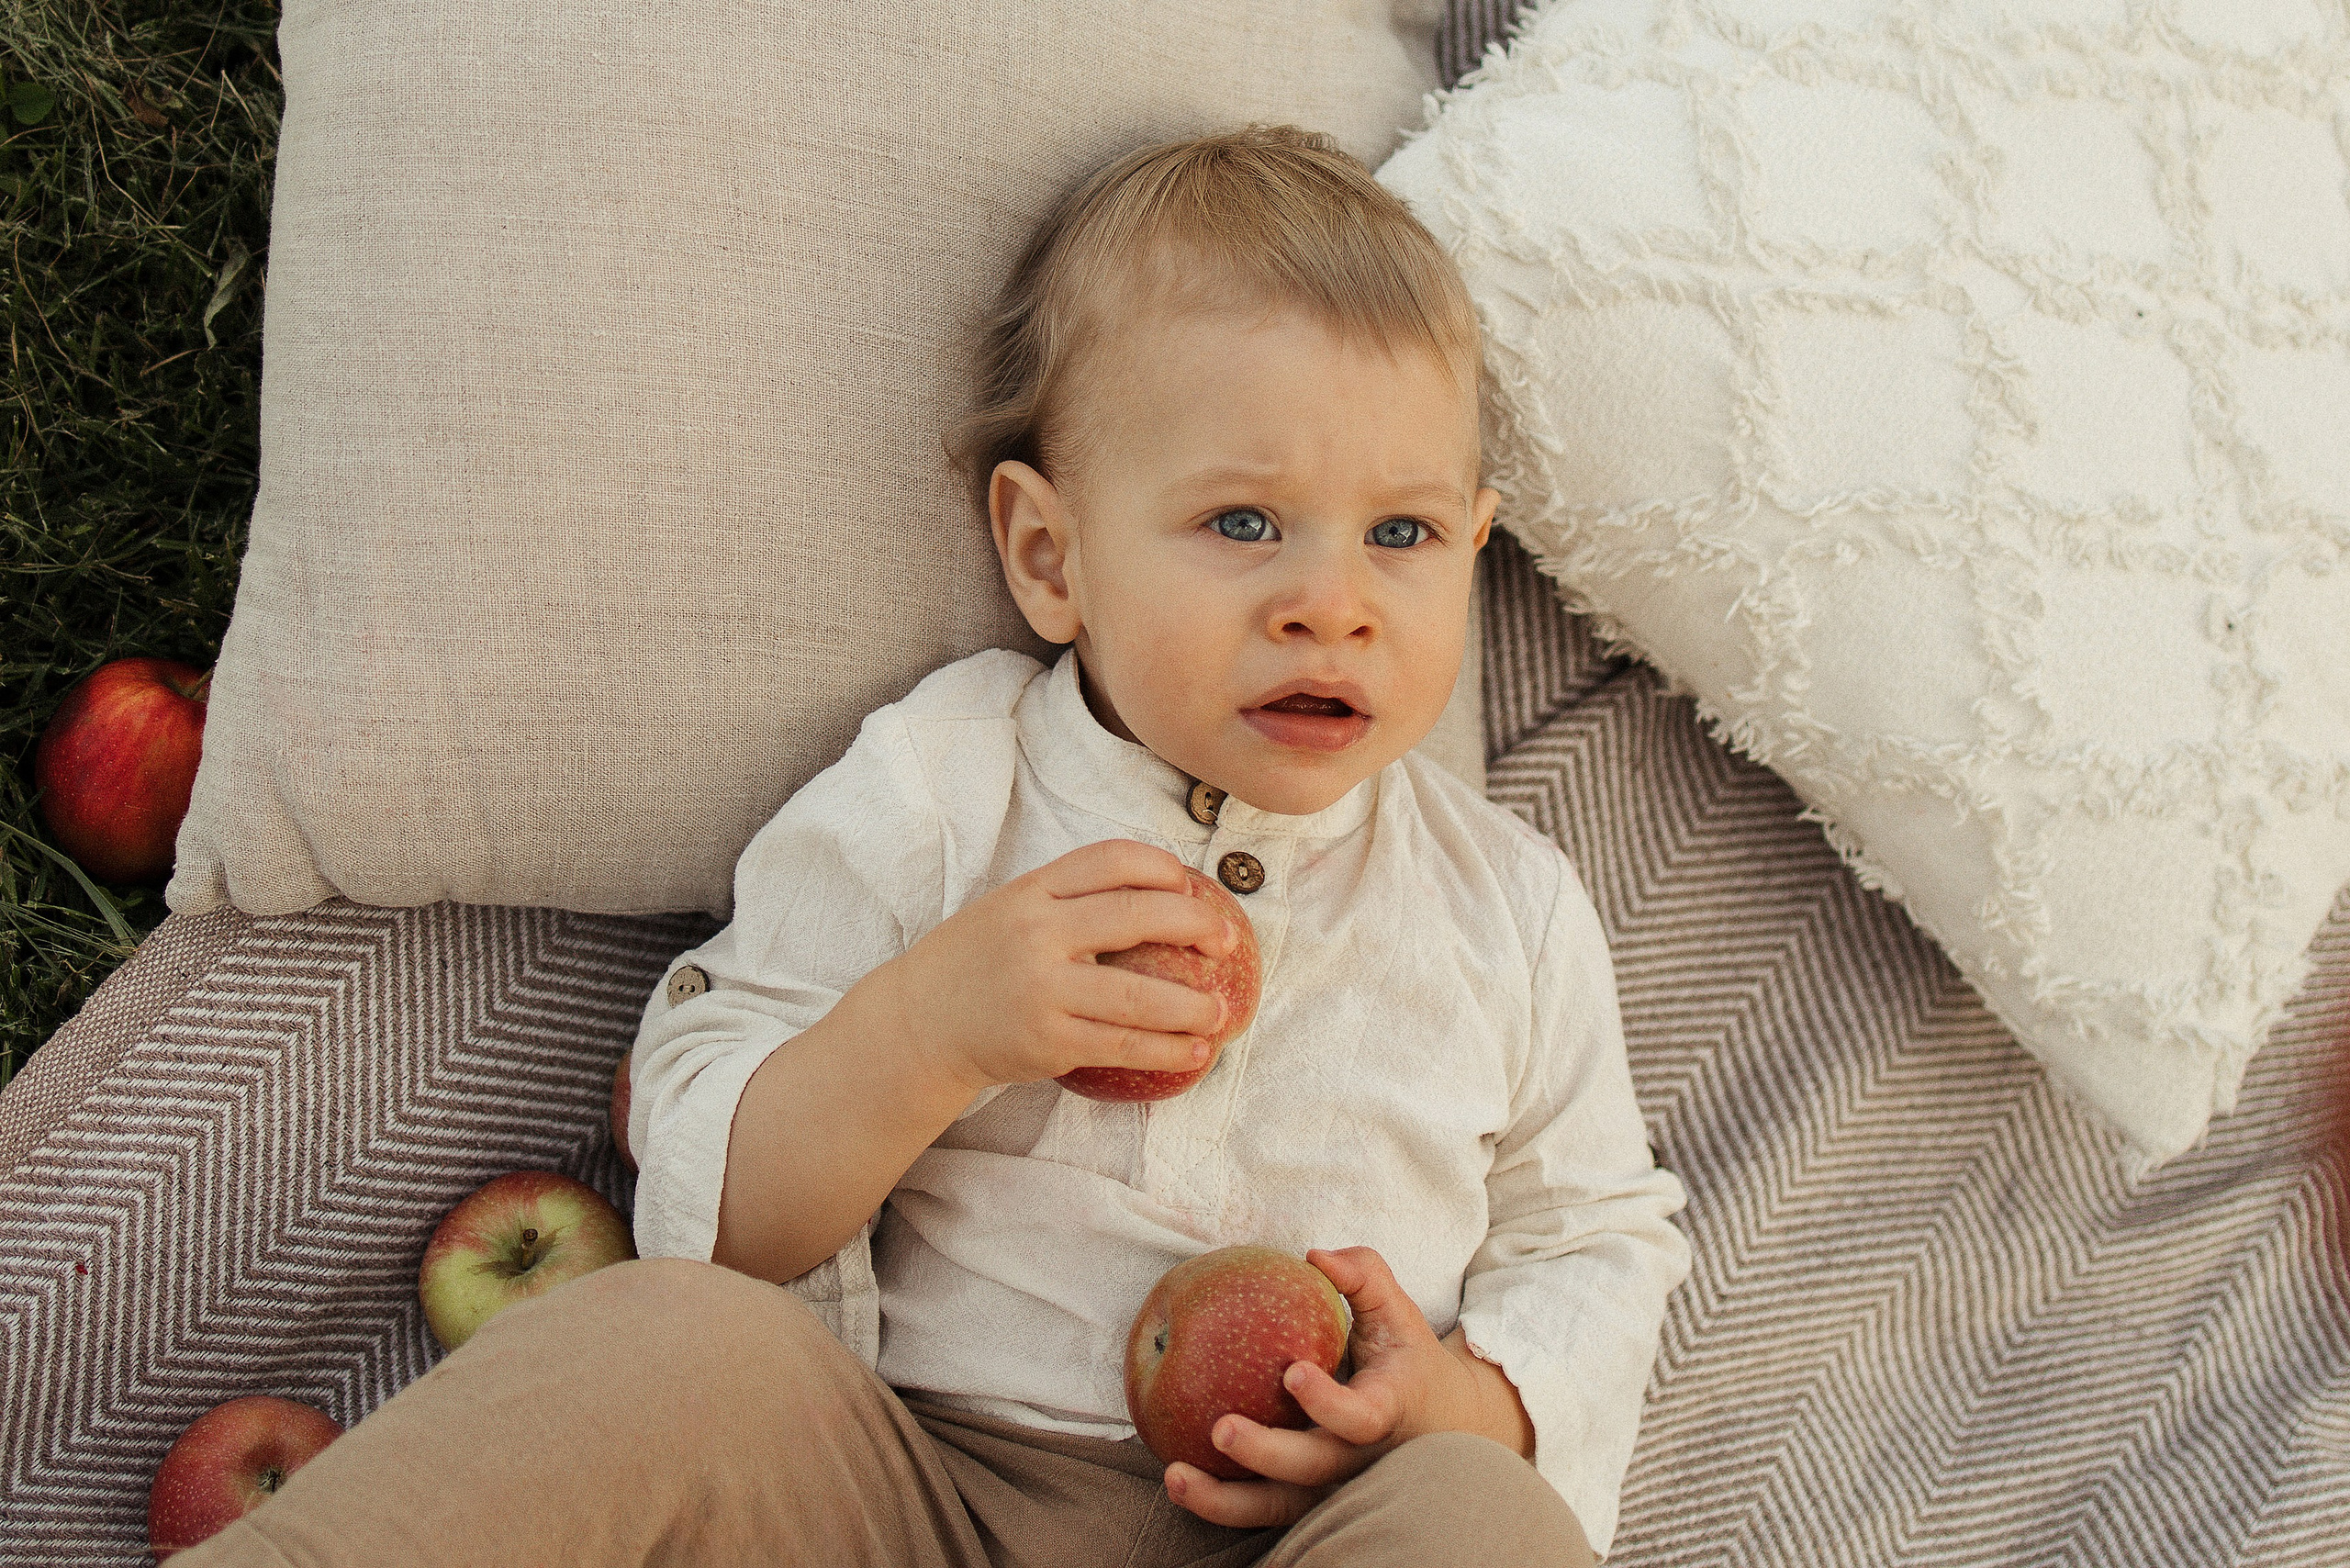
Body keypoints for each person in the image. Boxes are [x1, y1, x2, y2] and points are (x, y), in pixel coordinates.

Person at [179, 124, 1690, 1568]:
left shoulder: (1512, 909)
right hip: (915, 1498)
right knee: (660, 1342)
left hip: (1307, 1537)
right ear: (1050, 555)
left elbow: (1600, 1241)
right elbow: (710, 1192)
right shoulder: (946, 787)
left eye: (1404, 536)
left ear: (1476, 547)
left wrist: (1457, 1408)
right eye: (1243, 523)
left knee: (1487, 1528)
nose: (1332, 601)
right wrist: (932, 1029)